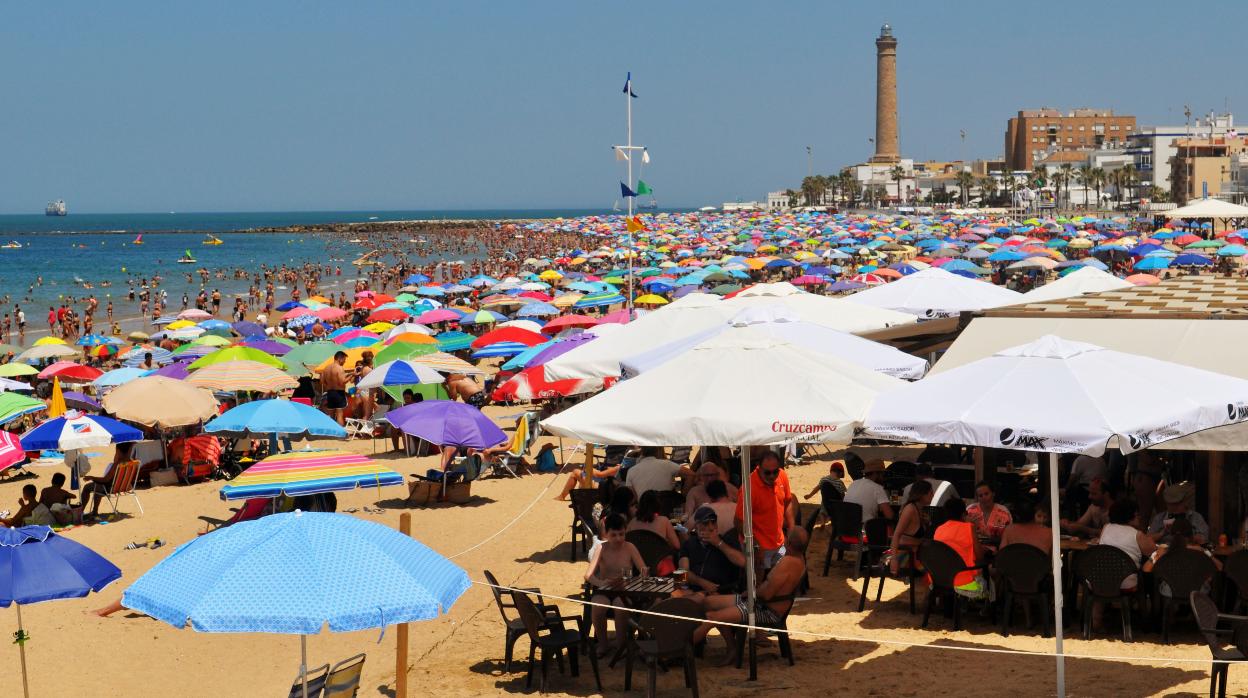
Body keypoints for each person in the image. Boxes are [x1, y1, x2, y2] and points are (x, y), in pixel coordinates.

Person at [692, 527, 807, 666]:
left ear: (788, 543)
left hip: (763, 609)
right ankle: (732, 648)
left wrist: (752, 592)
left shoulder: (788, 562)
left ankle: (681, 649)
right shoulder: (799, 559)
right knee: (709, 602)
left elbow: (767, 594)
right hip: (758, 601)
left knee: (712, 616)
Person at [584, 513, 647, 657]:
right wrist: (601, 583)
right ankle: (603, 644)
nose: (618, 538)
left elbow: (644, 570)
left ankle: (621, 644)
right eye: (614, 535)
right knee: (598, 607)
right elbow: (588, 575)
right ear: (606, 534)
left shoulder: (630, 547)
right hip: (604, 588)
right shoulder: (601, 548)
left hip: (624, 589)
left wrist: (632, 581)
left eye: (621, 534)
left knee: (620, 607)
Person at [733, 451, 795, 569]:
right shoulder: (749, 488)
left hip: (779, 542)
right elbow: (738, 522)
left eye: (775, 471)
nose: (772, 476)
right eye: (767, 473)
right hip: (759, 547)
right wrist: (755, 546)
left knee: (781, 580)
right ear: (759, 467)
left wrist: (792, 529)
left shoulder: (782, 475)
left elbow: (787, 502)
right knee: (759, 584)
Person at [677, 505, 746, 599]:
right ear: (696, 527)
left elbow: (743, 562)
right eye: (705, 523)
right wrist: (702, 582)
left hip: (722, 591)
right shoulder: (689, 544)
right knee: (666, 599)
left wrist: (718, 543)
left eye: (713, 522)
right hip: (694, 590)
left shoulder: (727, 541)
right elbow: (682, 573)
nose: (711, 527)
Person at [1142, 517, 1220, 597]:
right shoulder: (1201, 550)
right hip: (1198, 592)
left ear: (1171, 535)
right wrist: (1206, 551)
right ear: (1191, 535)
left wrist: (1156, 554)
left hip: (1170, 592)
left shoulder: (1162, 551)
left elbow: (1146, 568)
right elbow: (1220, 566)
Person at [933, 497, 989, 599]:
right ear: (964, 514)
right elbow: (980, 556)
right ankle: (986, 609)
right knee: (989, 577)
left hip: (939, 580)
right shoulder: (969, 527)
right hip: (965, 583)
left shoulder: (939, 529)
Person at [1099, 499, 1156, 592]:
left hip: (1097, 581)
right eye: (1137, 514)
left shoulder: (1106, 527)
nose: (1139, 517)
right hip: (1124, 585)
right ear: (1129, 516)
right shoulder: (1137, 535)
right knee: (1148, 573)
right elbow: (1154, 552)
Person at [888, 479, 932, 575]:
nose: (932, 496)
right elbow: (897, 534)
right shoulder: (910, 509)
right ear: (922, 494)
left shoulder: (920, 509)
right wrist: (894, 559)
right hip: (906, 556)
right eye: (930, 493)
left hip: (916, 554)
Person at [844, 458, 894, 522]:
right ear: (876, 474)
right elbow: (890, 516)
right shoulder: (878, 488)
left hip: (847, 526)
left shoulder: (853, 483)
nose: (883, 477)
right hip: (866, 528)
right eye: (882, 473)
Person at [966, 480, 1012, 545]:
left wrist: (990, 537)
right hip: (974, 550)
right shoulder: (970, 510)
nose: (984, 497)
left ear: (993, 494)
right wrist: (967, 525)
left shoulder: (1004, 512)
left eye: (986, 494)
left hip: (996, 551)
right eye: (980, 496)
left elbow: (1008, 537)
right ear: (977, 498)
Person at [316, 351, 349, 425]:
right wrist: (351, 376)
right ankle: (341, 433)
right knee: (339, 414)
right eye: (344, 359)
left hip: (330, 393)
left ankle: (332, 432)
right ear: (340, 358)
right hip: (339, 393)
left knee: (331, 414)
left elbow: (321, 381)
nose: (344, 362)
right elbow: (343, 382)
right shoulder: (339, 368)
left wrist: (328, 386)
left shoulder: (326, 368)